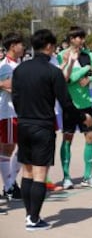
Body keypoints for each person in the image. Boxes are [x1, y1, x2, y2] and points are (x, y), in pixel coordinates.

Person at [11, 29, 92, 231]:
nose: (55, 49)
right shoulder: (52, 71)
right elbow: (66, 103)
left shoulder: (20, 70)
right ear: (48, 46)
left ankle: (30, 215)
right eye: (54, 46)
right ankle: (34, 219)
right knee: (39, 173)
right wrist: (83, 117)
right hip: (42, 126)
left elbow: (15, 97)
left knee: (28, 172)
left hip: (23, 124)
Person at [57, 26, 92, 189]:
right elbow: (68, 79)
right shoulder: (61, 56)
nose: (82, 40)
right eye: (78, 37)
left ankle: (88, 176)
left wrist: (91, 77)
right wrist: (86, 69)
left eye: (83, 37)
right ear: (71, 39)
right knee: (67, 139)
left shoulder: (89, 55)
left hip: (86, 104)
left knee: (91, 137)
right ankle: (66, 177)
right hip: (69, 105)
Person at [0, 32, 24, 201]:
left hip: (20, 112)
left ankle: (10, 184)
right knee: (8, 148)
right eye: (20, 44)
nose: (23, 47)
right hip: (9, 112)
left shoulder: (19, 64)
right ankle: (9, 186)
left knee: (23, 148)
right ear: (12, 46)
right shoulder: (5, 65)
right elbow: (10, 88)